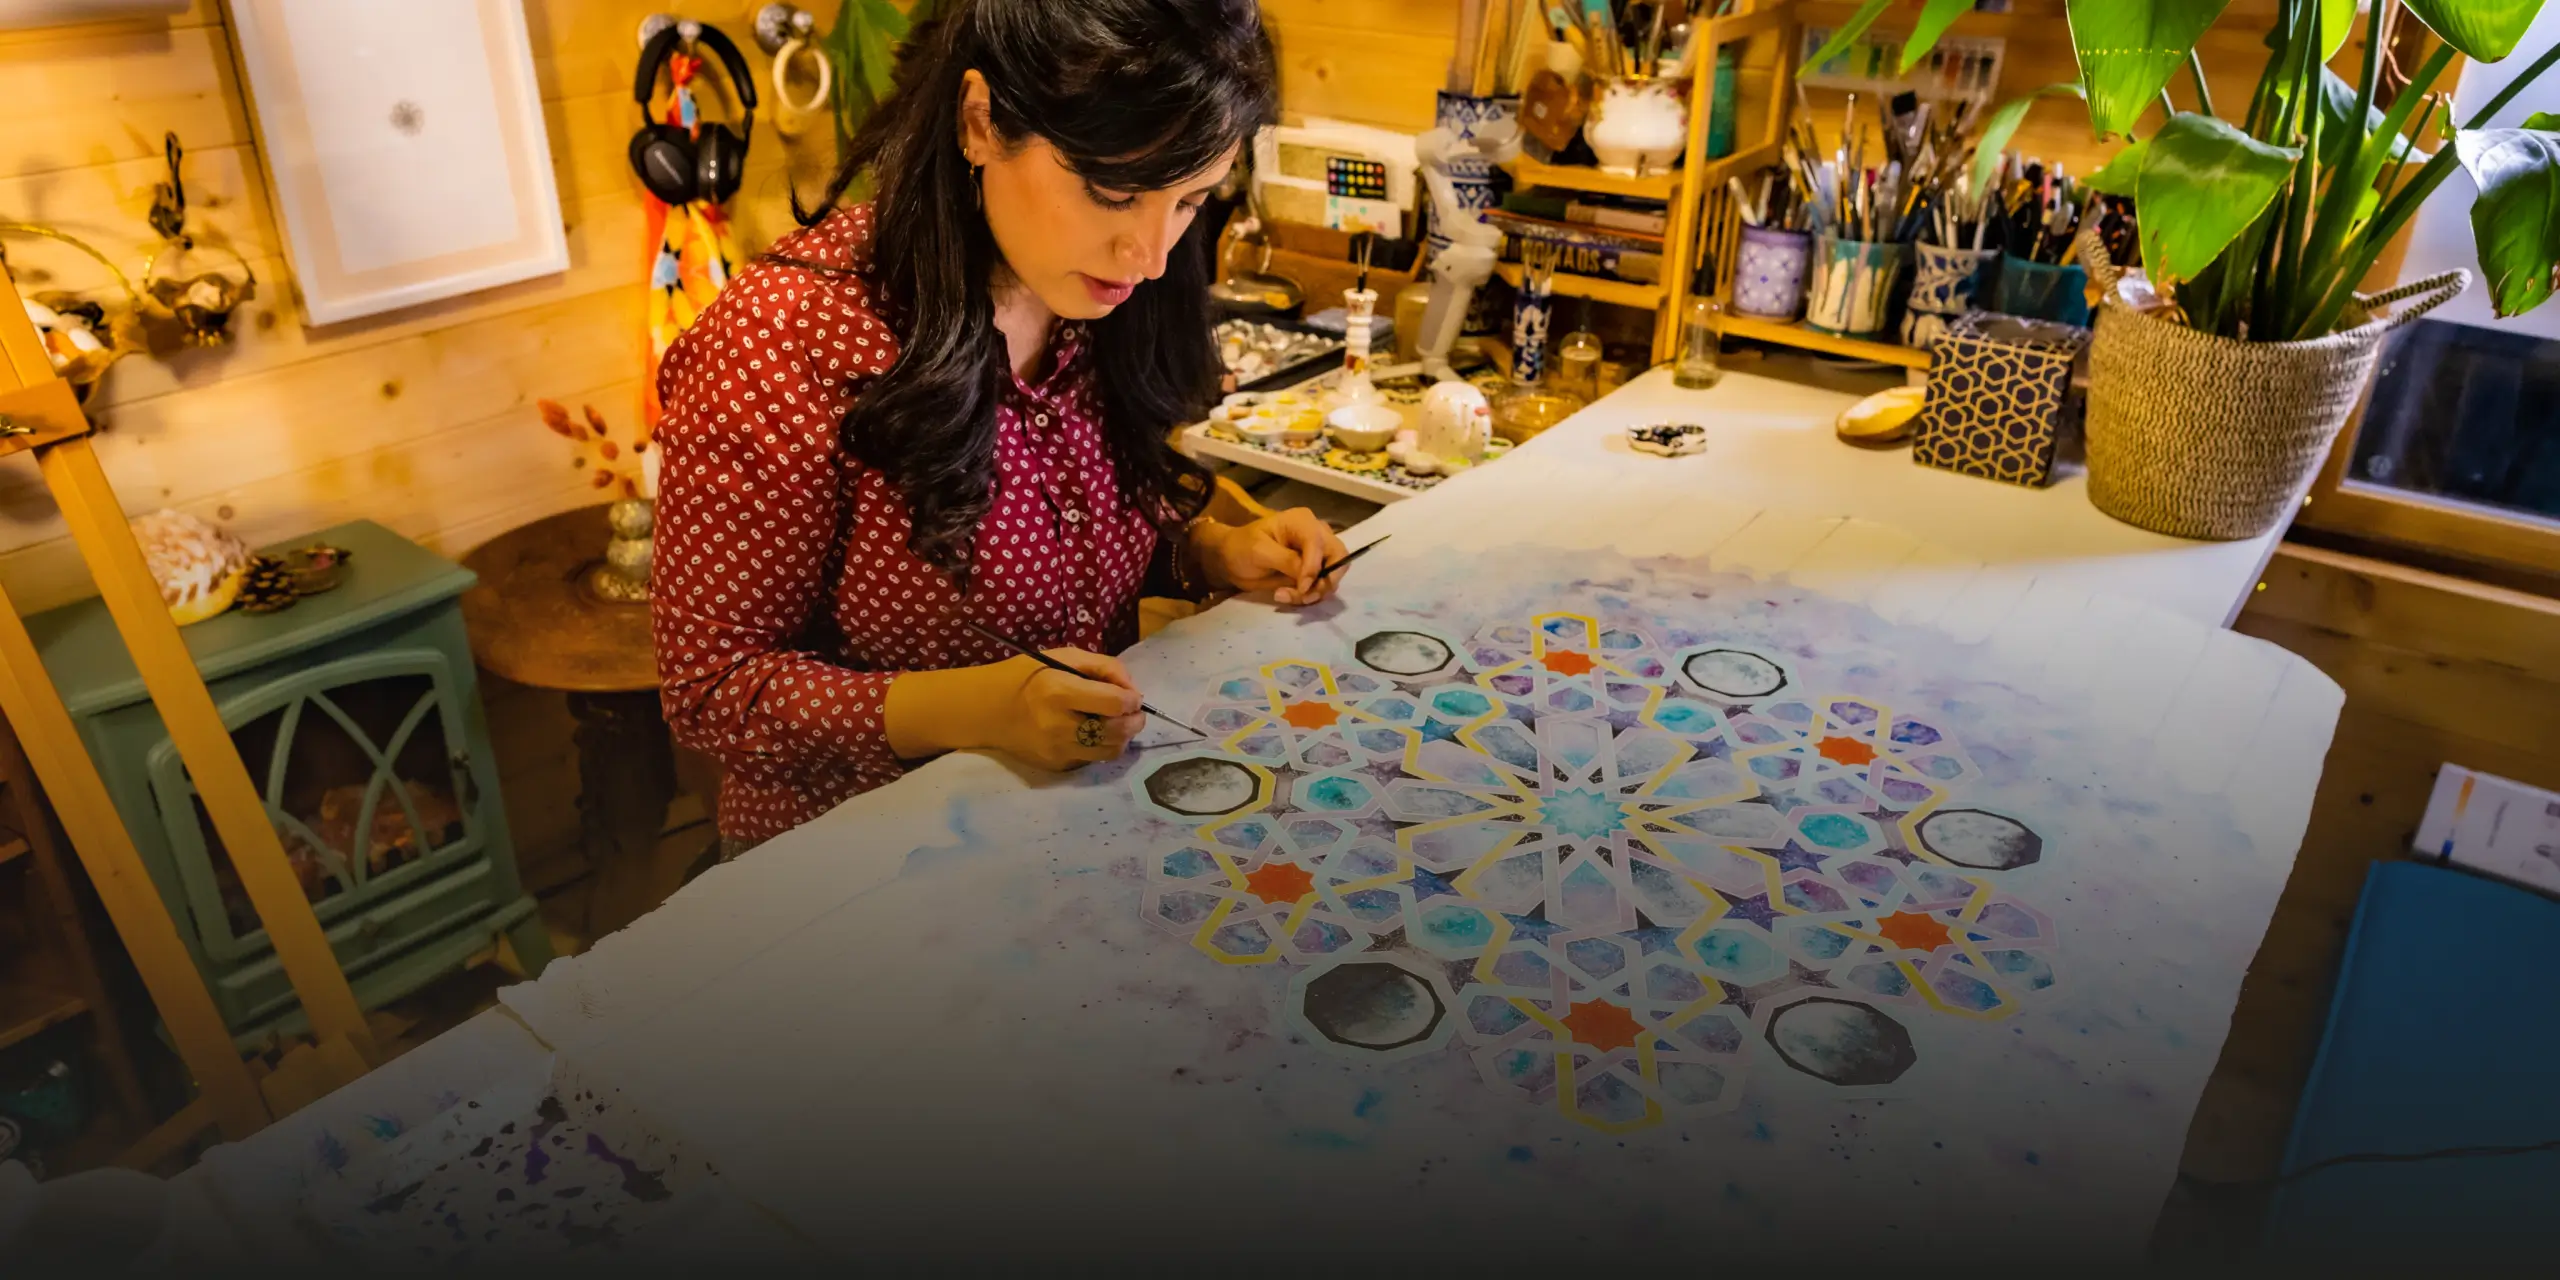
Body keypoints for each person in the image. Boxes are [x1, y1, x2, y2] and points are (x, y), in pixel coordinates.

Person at [650, 0, 1348, 851]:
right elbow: (711, 688)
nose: (1153, 253)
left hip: (1072, 833)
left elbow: (1069, 550)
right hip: (858, 865)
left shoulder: (1095, 291)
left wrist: (1206, 553)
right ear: (981, 122)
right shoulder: (786, 340)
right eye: (1114, 193)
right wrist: (979, 708)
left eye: (1192, 202)